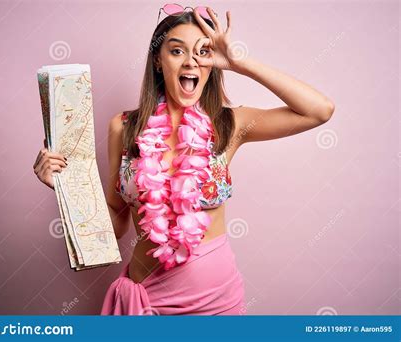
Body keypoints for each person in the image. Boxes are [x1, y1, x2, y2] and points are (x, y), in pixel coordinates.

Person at [33, 5, 335, 315]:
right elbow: (118, 223)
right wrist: (67, 188)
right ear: (157, 60)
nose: (191, 61)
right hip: (146, 299)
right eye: (177, 51)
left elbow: (318, 110)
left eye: (202, 52)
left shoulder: (230, 124)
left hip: (216, 305)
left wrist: (239, 63)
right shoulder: (123, 127)